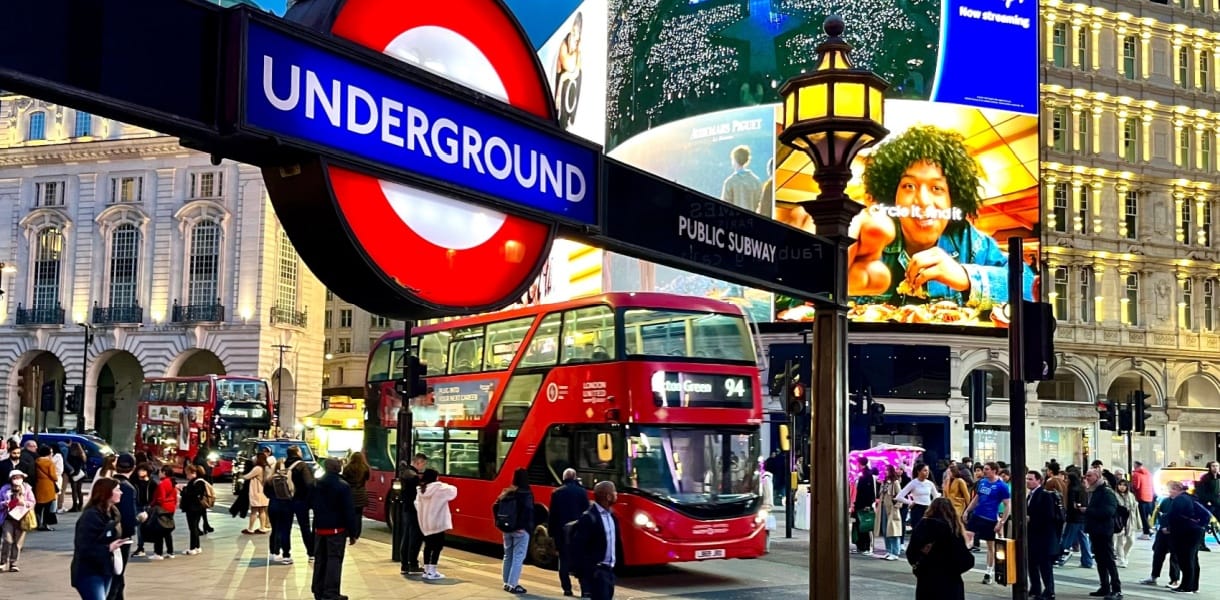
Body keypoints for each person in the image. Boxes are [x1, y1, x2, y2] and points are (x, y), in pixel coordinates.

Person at [848, 125, 1035, 308]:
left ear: (953, 199)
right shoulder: (872, 239)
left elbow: (1029, 285)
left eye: (937, 188)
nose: (922, 201)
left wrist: (966, 277)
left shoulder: (969, 241)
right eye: (908, 186)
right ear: (892, 196)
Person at [71, 478, 129, 600]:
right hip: (89, 571)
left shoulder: (114, 512)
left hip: (106, 567)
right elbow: (84, 546)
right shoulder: (91, 516)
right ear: (107, 492)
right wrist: (108, 547)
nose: (121, 492)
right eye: (117, 490)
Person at [906, 497, 973, 600]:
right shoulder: (953, 529)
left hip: (926, 579)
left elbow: (911, 553)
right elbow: (966, 560)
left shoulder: (923, 525)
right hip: (949, 582)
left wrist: (920, 567)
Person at [311, 458, 358, 600]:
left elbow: (311, 503)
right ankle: (331, 592)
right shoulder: (343, 486)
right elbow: (349, 511)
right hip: (336, 529)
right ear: (339, 468)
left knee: (320, 559)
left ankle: (318, 589)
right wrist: (353, 532)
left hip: (320, 527)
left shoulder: (316, 484)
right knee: (334, 560)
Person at [571, 481, 621, 600]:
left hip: (610, 572)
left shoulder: (612, 516)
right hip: (597, 572)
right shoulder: (589, 517)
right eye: (614, 492)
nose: (616, 494)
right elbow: (579, 547)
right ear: (608, 496)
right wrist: (584, 577)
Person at [963, 461, 1010, 584]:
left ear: (994, 470)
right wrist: (967, 511)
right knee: (967, 537)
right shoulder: (982, 482)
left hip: (990, 519)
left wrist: (1001, 522)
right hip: (977, 515)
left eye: (987, 469)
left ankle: (989, 572)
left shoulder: (1002, 486)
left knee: (991, 547)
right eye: (984, 469)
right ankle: (961, 562)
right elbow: (977, 498)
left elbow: (1007, 505)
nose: (984, 471)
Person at [549, 468, 591, 596]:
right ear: (575, 478)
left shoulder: (556, 493)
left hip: (562, 533)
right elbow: (586, 513)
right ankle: (585, 590)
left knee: (563, 562)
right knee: (581, 561)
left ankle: (567, 589)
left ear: (563, 478)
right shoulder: (582, 492)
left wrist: (551, 534)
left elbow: (553, 516)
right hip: (578, 533)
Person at [495, 468, 534, 594]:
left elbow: (495, 506)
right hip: (521, 530)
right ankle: (513, 584)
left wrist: (499, 521)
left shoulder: (507, 492)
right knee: (518, 557)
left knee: (508, 555)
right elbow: (529, 511)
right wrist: (524, 526)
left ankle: (506, 583)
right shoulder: (526, 493)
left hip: (507, 529)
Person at [1083, 467, 1121, 600]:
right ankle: (1104, 586)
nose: (1086, 478)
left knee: (1109, 559)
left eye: (1089, 476)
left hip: (1104, 531)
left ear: (1097, 477)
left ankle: (1116, 589)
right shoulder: (1093, 491)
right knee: (1100, 559)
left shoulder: (1106, 492)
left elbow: (1108, 512)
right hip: (1095, 530)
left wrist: (1087, 511)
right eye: (1086, 476)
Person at [415, 468, 457, 580]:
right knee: (438, 547)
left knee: (428, 546)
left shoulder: (421, 490)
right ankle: (433, 571)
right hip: (438, 523)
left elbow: (416, 505)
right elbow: (453, 491)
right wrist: (440, 483)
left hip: (426, 523)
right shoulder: (439, 488)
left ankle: (427, 570)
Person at [106, 455, 138, 600]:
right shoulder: (127, 487)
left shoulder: (108, 482)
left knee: (117, 573)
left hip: (108, 532)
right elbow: (128, 516)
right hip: (121, 535)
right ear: (133, 467)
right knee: (117, 573)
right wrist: (139, 520)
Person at [1025, 470, 1060, 600]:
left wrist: (1031, 519)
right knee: (1032, 563)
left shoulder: (1044, 495)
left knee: (1045, 565)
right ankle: (1035, 588)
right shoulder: (1030, 495)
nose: (1028, 481)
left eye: (1030, 479)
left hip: (1043, 537)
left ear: (1039, 481)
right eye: (1027, 479)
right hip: (1032, 536)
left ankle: (1049, 591)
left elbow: (1049, 516)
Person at [1167, 480, 1205, 594]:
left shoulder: (1180, 499)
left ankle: (1186, 586)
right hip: (1196, 530)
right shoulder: (1192, 497)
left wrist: (1169, 526)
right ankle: (1193, 585)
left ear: (1176, 489)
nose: (1170, 493)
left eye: (1170, 490)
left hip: (1185, 532)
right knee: (1193, 558)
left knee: (1185, 559)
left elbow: (1173, 515)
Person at [1139, 493, 1181, 588]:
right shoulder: (1165, 501)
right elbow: (1159, 514)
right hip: (1162, 531)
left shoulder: (1181, 502)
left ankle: (1175, 579)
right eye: (1171, 489)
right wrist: (1162, 526)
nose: (1172, 491)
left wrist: (1170, 528)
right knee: (1158, 553)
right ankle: (1154, 576)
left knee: (1175, 557)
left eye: (1174, 489)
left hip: (1175, 532)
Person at [284, 446, 316, 562]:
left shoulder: (284, 464)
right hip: (300, 500)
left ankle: (286, 555)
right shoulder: (302, 465)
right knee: (305, 527)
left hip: (286, 500)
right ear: (297, 453)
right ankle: (311, 553)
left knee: (285, 528)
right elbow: (309, 484)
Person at [398, 451, 427, 575]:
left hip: (406, 508)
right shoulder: (413, 476)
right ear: (418, 462)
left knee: (406, 536)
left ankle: (405, 564)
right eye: (423, 464)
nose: (423, 467)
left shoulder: (405, 472)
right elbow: (417, 494)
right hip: (413, 509)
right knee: (415, 537)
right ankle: (413, 563)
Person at [0, 469, 35, 572]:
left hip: (22, 518)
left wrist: (24, 503)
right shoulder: (5, 489)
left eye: (19, 477)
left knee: (18, 542)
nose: (17, 480)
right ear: (11, 479)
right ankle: (3, 562)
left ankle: (14, 563)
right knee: (7, 540)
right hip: (8, 518)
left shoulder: (27, 488)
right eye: (15, 477)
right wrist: (5, 504)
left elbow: (32, 502)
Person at [1057, 470, 1093, 568]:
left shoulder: (1072, 489)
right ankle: (1087, 561)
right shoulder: (1083, 488)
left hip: (1073, 518)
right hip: (1082, 517)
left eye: (1068, 478)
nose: (1066, 480)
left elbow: (1071, 505)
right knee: (1083, 538)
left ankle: (1061, 556)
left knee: (1067, 538)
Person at [267, 458, 296, 564]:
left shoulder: (270, 479)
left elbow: (266, 493)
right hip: (286, 506)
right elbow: (292, 491)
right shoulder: (287, 476)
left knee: (275, 529)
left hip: (273, 506)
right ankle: (286, 555)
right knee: (285, 531)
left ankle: (273, 552)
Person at [147, 465, 178, 560]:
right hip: (171, 508)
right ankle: (170, 551)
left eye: (160, 472)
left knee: (158, 530)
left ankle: (158, 553)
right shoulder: (172, 482)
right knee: (167, 530)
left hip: (162, 509)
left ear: (164, 472)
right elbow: (175, 497)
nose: (159, 473)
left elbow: (160, 498)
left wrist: (152, 505)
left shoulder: (162, 484)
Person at [874, 465, 904, 561]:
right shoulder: (884, 482)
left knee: (893, 530)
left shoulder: (895, 482)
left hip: (892, 509)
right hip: (883, 508)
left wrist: (896, 506)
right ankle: (888, 550)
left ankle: (895, 552)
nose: (885, 472)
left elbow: (900, 496)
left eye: (886, 470)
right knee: (885, 530)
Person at [721, 145, 763, 212]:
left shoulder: (730, 182)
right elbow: (759, 203)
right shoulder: (756, 181)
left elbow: (725, 205)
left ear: (734, 160)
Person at [896, 462, 939, 526]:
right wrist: (910, 502)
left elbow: (936, 496)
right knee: (917, 529)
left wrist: (932, 505)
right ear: (919, 471)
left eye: (928, 470)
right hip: (917, 509)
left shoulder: (930, 483)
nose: (927, 472)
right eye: (925, 470)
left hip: (928, 509)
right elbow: (899, 496)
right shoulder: (913, 483)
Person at [178, 465, 207, 555]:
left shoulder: (197, 482)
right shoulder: (199, 481)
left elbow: (191, 495)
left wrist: (182, 490)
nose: (187, 476)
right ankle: (197, 546)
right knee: (195, 527)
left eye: (188, 473)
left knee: (193, 528)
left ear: (193, 473)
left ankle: (192, 548)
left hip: (193, 508)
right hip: (198, 508)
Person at [341, 451, 370, 540]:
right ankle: (357, 533)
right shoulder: (365, 468)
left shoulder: (348, 468)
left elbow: (344, 479)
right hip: (361, 493)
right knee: (358, 515)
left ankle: (349, 532)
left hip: (350, 494)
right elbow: (367, 478)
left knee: (349, 514)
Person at [852, 457, 877, 555]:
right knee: (859, 525)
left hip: (864, 504)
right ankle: (860, 546)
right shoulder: (862, 474)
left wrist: (868, 504)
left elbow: (869, 491)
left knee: (864, 525)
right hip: (860, 503)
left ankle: (865, 547)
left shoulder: (867, 475)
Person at [1113, 479, 1139, 568]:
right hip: (1119, 520)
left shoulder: (1131, 495)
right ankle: (1121, 559)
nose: (1122, 487)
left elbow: (1135, 509)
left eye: (1124, 485)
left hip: (1130, 520)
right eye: (1120, 485)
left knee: (1131, 540)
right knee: (1119, 541)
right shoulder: (1114, 495)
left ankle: (1124, 555)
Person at [242, 452, 270, 535]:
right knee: (262, 511)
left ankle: (250, 528)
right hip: (263, 492)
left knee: (254, 511)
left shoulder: (257, 468)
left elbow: (247, 476)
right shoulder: (266, 468)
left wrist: (241, 475)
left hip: (257, 492)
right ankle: (262, 527)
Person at [33, 445, 57, 530]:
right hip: (48, 486)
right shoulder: (50, 463)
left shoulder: (36, 461)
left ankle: (38, 523)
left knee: (39, 507)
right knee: (47, 507)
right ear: (48, 453)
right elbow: (53, 475)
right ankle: (45, 524)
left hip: (39, 485)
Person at [67, 442, 88, 511]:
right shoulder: (82, 455)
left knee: (74, 490)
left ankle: (75, 506)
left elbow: (71, 465)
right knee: (79, 490)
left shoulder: (71, 455)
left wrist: (73, 473)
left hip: (74, 474)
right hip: (81, 474)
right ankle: (80, 505)